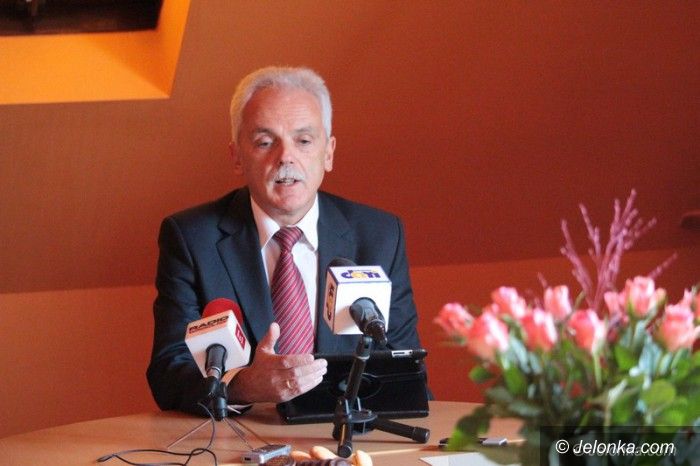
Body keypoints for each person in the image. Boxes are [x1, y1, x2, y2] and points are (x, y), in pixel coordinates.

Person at [147, 66, 422, 415]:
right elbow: (168, 372)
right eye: (265, 142)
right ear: (236, 156)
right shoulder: (192, 238)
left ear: (328, 152)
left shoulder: (379, 235)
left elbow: (405, 369)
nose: (285, 157)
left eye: (303, 141)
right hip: (241, 437)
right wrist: (242, 386)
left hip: (345, 435)